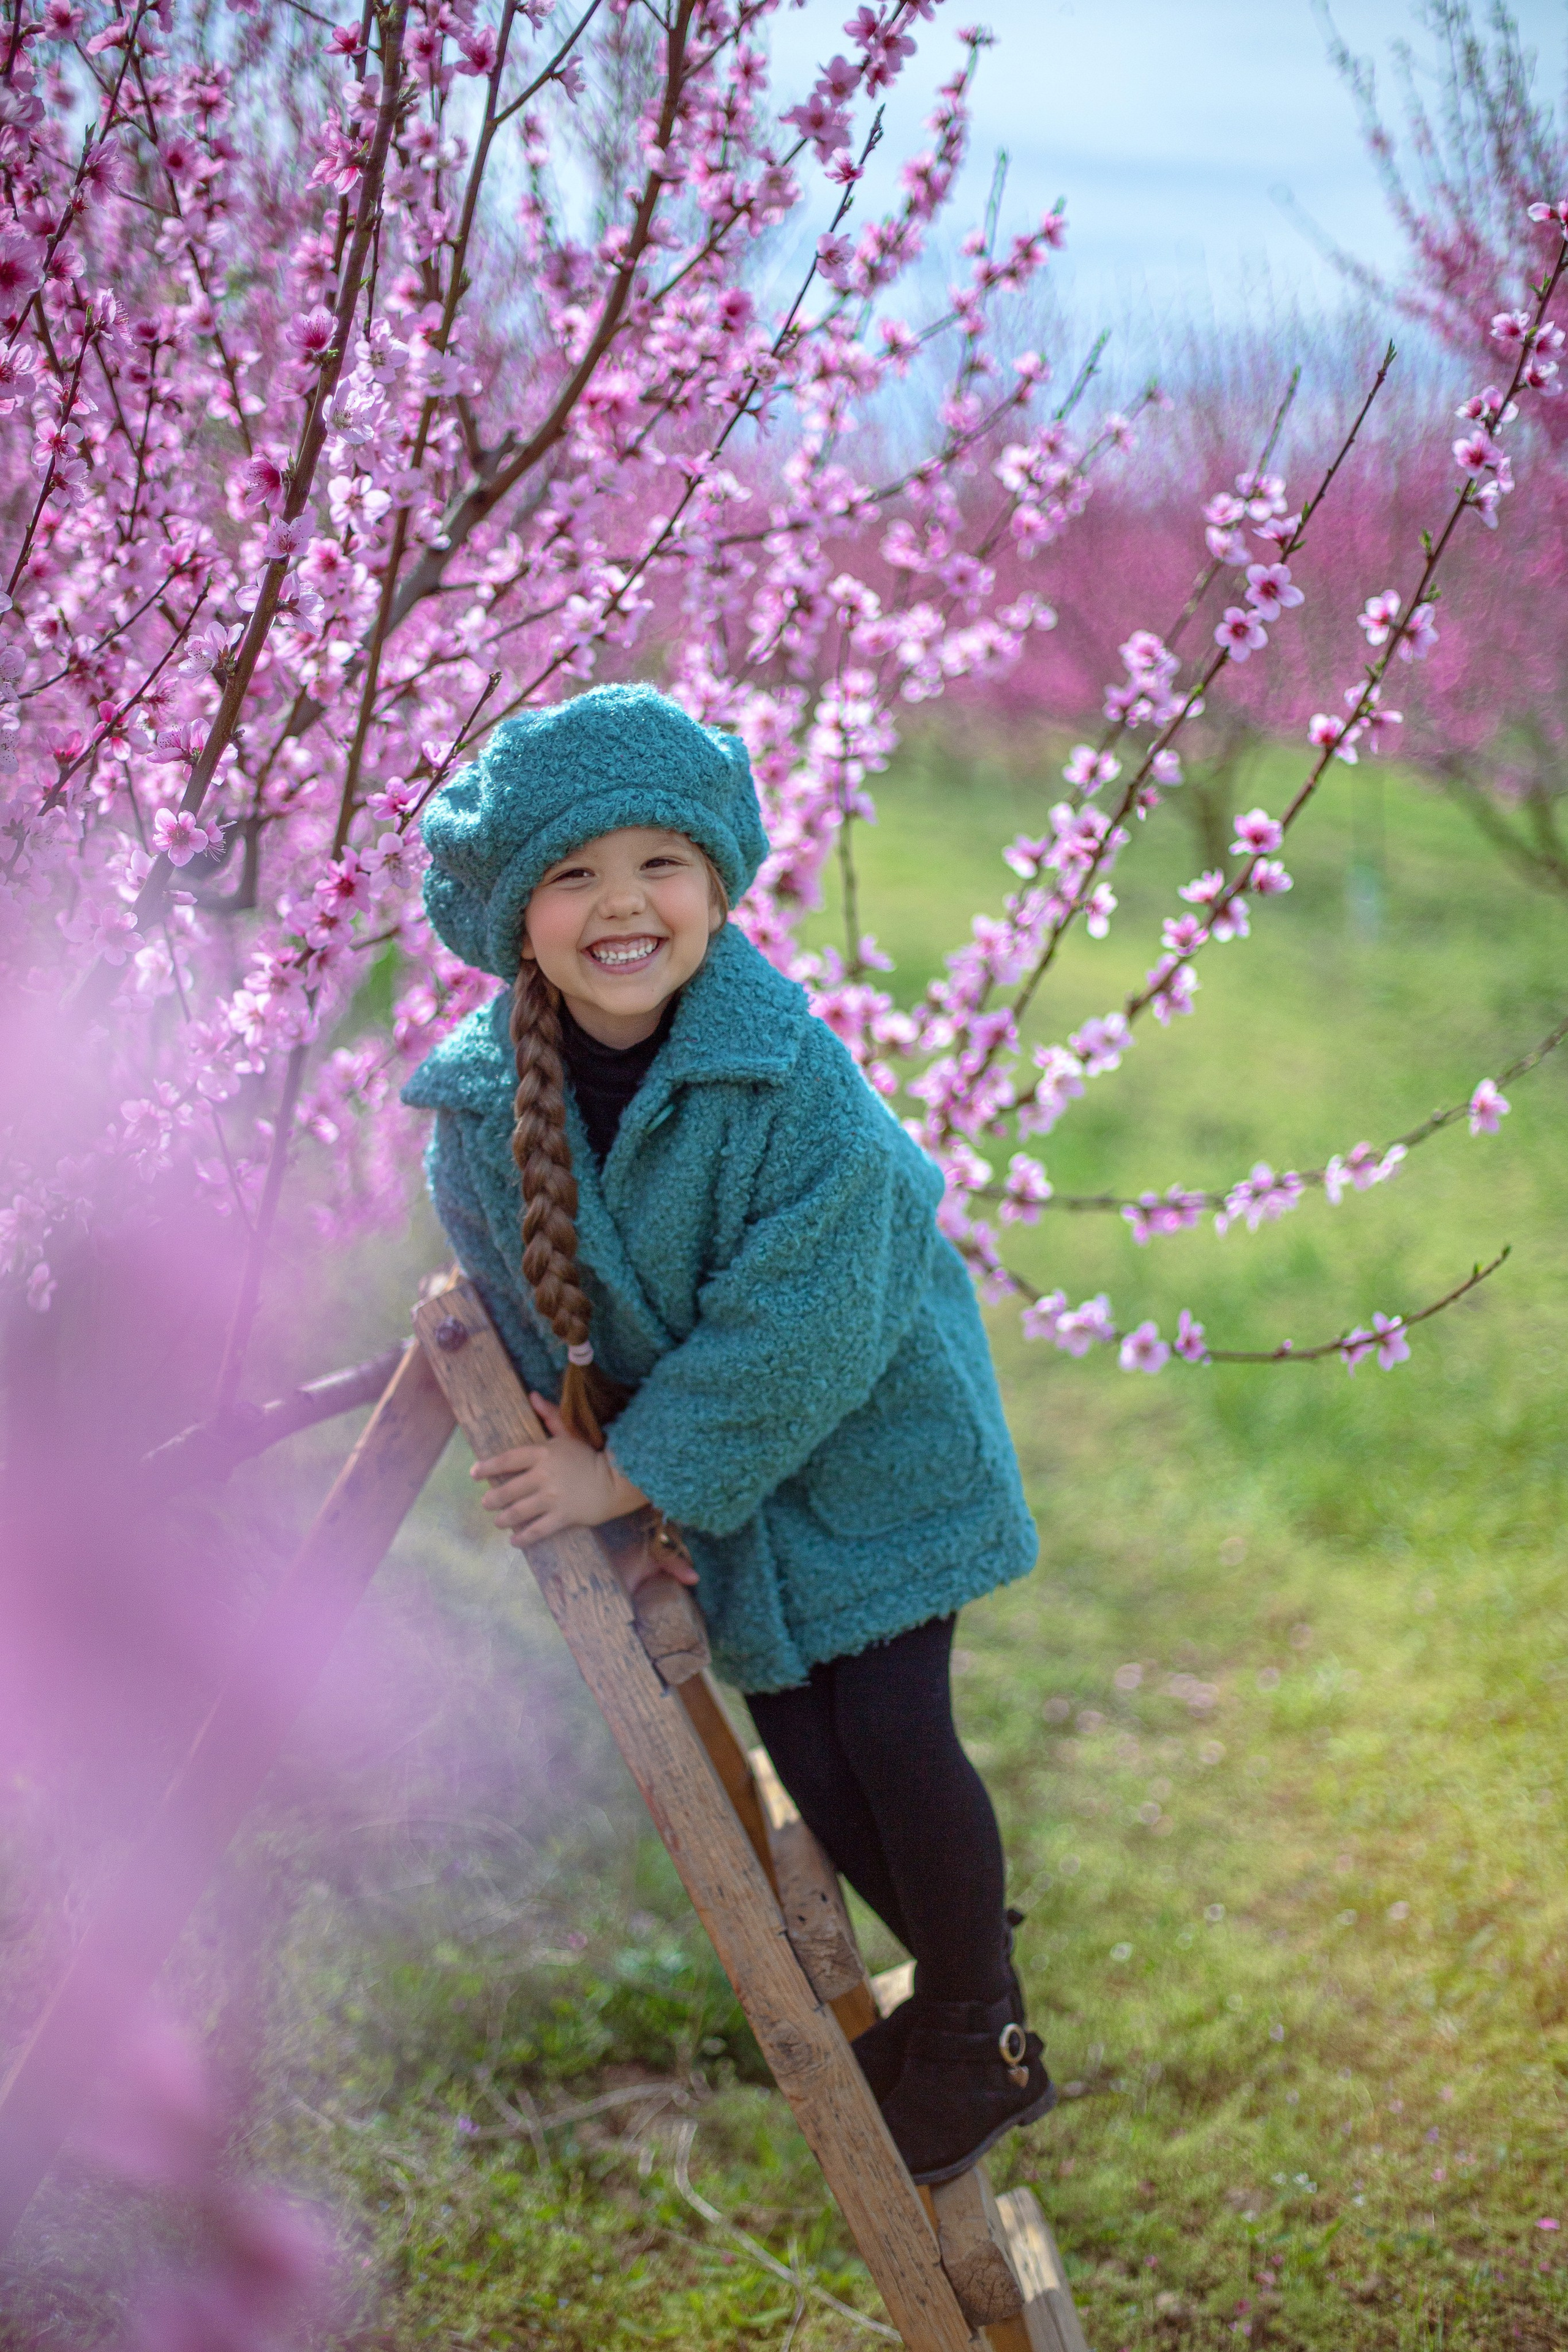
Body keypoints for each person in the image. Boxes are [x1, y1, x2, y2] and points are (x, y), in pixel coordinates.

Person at [401, 682, 1050, 2185]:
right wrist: (635, 1507)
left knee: (891, 1727)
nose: (620, 904)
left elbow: (800, 1328)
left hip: (874, 1439)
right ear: (515, 916)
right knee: (811, 1753)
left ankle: (979, 2028)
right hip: (727, 1483)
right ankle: (971, 1989)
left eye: (658, 865)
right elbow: (537, 1322)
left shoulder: (788, 1072)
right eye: (570, 874)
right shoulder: (482, 1117)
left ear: (715, 883)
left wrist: (628, 1475)